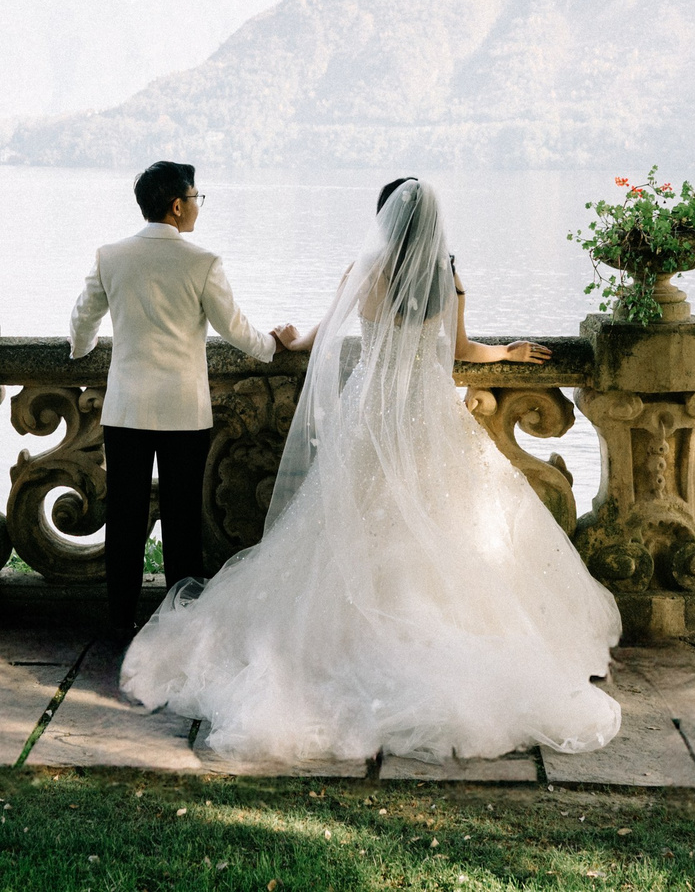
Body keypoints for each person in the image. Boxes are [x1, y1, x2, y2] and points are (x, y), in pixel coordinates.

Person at [119, 176, 623, 764]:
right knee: (445, 524)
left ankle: (346, 638)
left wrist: (288, 340)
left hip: (372, 412)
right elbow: (459, 352)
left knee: (352, 524)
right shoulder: (446, 279)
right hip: (427, 413)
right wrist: (506, 353)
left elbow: (320, 337)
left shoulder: (364, 272)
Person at [71, 160, 277, 631]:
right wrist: (272, 345)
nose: (198, 206)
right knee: (183, 521)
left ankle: (120, 623)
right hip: (184, 412)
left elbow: (82, 322)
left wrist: (81, 350)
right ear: (177, 205)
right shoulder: (202, 262)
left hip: (127, 410)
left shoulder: (111, 256)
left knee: (124, 519)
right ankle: (179, 626)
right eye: (196, 198)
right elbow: (235, 329)